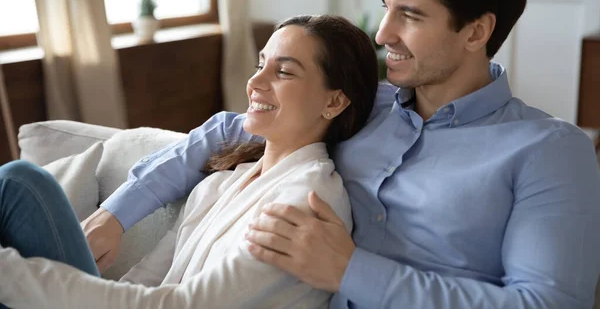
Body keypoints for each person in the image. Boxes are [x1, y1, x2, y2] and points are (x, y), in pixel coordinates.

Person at [80, 0, 600, 309]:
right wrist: (114, 215)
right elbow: (225, 130)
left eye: (410, 15)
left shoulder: (552, 151)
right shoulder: (362, 105)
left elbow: (546, 303)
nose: (383, 34)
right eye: (386, 8)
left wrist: (351, 270)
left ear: (476, 31)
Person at [0, 15, 379, 308]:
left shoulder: (306, 203)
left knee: (20, 184)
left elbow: (186, 305)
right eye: (259, 64)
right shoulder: (222, 181)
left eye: (283, 72)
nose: (255, 82)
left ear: (334, 102)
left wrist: (10, 273)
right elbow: (141, 283)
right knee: (19, 179)